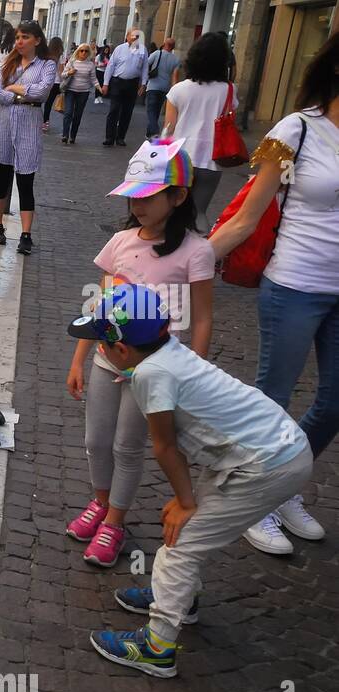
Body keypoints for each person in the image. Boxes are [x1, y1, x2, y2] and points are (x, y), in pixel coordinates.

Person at [69, 286, 312, 679]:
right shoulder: (166, 352)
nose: (100, 350)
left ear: (122, 350)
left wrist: (185, 501)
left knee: (179, 546)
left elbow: (165, 448)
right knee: (189, 532)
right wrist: (188, 499)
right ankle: (182, 598)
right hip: (268, 448)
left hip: (266, 465)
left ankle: (158, 648)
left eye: (102, 343)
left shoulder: (150, 374)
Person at [209, 35, 339, 556]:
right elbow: (246, 213)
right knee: (272, 403)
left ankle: (284, 488)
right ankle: (253, 501)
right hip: (294, 285)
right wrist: (180, 265)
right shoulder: (298, 129)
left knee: (334, 404)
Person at [65, 139, 214, 568]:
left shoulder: (196, 251)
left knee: (129, 446)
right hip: (107, 358)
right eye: (132, 195)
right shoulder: (120, 242)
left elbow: (201, 318)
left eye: (147, 196)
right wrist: (79, 359)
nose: (137, 205)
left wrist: (193, 373)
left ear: (179, 196)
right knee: (96, 440)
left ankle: (114, 520)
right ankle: (99, 501)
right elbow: (99, 308)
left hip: (156, 368)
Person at [0, 21, 57, 256]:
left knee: (26, 183)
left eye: (25, 37)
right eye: (18, 37)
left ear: (37, 40)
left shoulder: (47, 65)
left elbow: (43, 92)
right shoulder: (8, 62)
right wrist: (21, 94)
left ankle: (26, 235)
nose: (19, 41)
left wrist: (14, 88)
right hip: (4, 125)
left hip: (28, 127)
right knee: (1, 180)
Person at [163, 33, 234, 234]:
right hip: (211, 158)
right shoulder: (228, 90)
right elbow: (229, 118)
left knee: (172, 209)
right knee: (199, 212)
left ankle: (169, 248)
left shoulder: (178, 90)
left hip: (180, 157)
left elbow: (168, 129)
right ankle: (197, 252)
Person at [101, 27, 146, 146]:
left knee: (127, 111)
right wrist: (105, 83)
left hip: (132, 83)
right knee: (114, 109)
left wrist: (144, 83)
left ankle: (120, 137)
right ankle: (109, 137)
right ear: (127, 37)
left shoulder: (142, 50)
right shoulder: (119, 49)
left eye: (137, 36)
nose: (135, 38)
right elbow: (110, 66)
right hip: (118, 82)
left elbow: (145, 67)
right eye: (133, 36)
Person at [144, 37, 180, 138]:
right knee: (157, 110)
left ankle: (154, 130)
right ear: (173, 47)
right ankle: (149, 133)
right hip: (165, 88)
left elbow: (146, 64)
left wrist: (145, 77)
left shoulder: (156, 53)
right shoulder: (176, 60)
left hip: (153, 86)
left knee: (151, 110)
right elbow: (175, 77)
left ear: (164, 44)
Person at [60, 42, 95, 143]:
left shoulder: (90, 65)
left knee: (78, 114)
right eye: (81, 50)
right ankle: (65, 135)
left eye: (86, 51)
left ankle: (73, 136)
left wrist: (100, 87)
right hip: (70, 90)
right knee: (68, 112)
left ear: (88, 53)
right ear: (78, 51)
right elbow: (63, 75)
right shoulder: (72, 62)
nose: (83, 53)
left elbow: (93, 79)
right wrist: (69, 73)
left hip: (84, 92)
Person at [41, 36, 64, 132]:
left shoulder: (46, 54)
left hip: (46, 81)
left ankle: (41, 120)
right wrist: (63, 82)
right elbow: (60, 70)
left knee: (40, 101)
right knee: (49, 104)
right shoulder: (61, 56)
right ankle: (45, 122)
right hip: (56, 83)